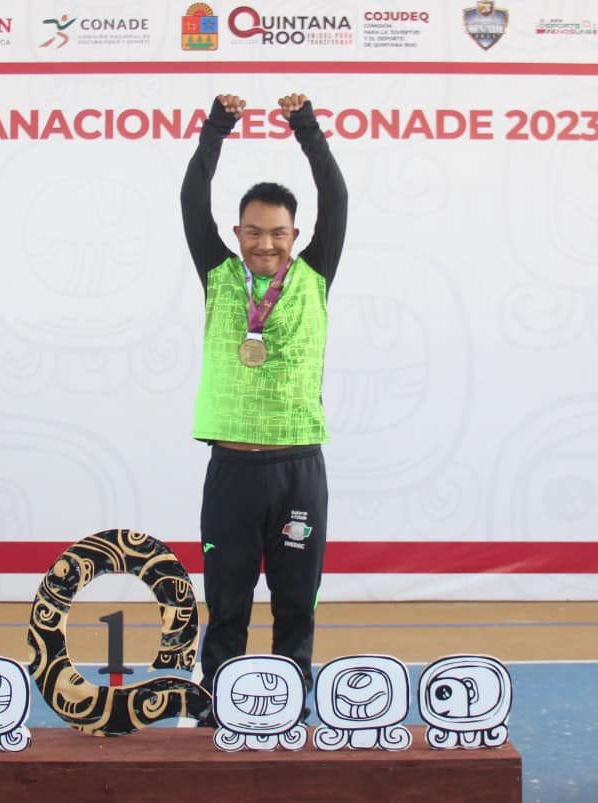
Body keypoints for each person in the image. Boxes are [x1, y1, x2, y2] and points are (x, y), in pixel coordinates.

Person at [180, 92, 348, 723]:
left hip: (298, 467)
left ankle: (288, 700)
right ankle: (219, 699)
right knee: (226, 600)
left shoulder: (315, 274)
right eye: (254, 232)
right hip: (232, 469)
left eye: (278, 233)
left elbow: (336, 196)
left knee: (296, 600)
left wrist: (306, 127)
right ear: (237, 234)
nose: (266, 243)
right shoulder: (218, 275)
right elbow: (192, 198)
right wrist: (217, 126)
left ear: (295, 236)